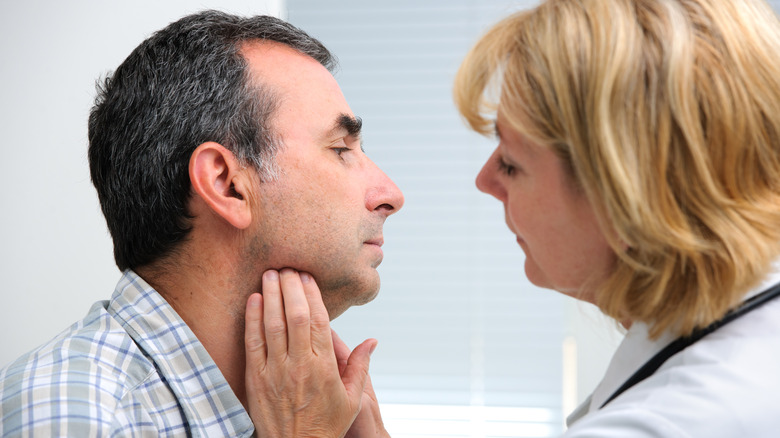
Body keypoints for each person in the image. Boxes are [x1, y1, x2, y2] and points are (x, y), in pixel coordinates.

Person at [243, 0, 780, 436]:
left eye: (513, 163)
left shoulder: (684, 419)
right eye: (341, 148)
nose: (485, 181)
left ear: (626, 194)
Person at [0, 10, 403, 437]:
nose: (391, 194)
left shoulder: (304, 407)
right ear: (226, 184)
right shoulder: (76, 415)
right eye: (341, 148)